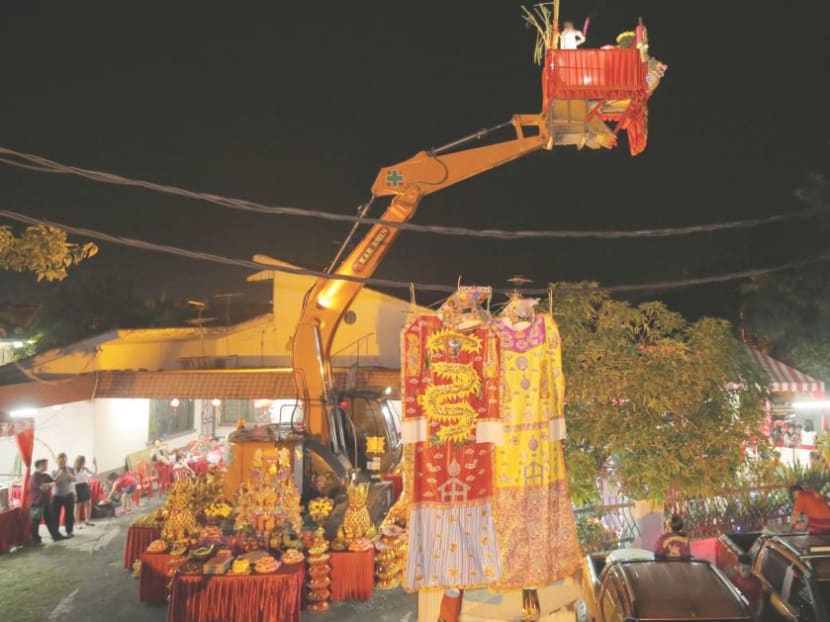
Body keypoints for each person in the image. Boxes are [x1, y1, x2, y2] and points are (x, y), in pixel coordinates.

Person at [30, 458, 65, 543]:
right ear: (39, 466)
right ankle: (36, 539)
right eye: (44, 464)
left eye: (46, 464)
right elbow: (42, 487)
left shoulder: (46, 475)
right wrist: (50, 484)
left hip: (47, 501)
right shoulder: (34, 476)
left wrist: (62, 472)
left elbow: (55, 482)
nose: (46, 466)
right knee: (36, 522)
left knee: (50, 519)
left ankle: (56, 536)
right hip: (37, 502)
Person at [729, 553, 763, 617]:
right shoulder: (734, 577)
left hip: (749, 614)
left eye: (748, 570)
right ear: (738, 567)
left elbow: (760, 602)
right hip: (735, 611)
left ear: (751, 568)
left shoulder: (757, 582)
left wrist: (757, 617)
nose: (746, 573)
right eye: (743, 570)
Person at [51, 452, 76, 538]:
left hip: (69, 495)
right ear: (57, 461)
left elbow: (74, 479)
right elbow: (54, 482)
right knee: (55, 515)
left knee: (69, 514)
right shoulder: (53, 471)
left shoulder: (71, 469)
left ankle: (69, 531)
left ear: (66, 461)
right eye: (61, 461)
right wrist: (61, 473)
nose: (63, 463)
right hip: (57, 496)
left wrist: (67, 472)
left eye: (64, 461)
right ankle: (55, 532)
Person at [73, 455, 97, 528]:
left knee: (88, 504)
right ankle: (77, 523)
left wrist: (95, 464)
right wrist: (74, 494)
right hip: (77, 487)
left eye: (84, 461)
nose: (84, 463)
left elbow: (94, 474)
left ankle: (87, 520)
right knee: (77, 506)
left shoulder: (85, 469)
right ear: (78, 462)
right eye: (82, 461)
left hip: (85, 486)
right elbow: (72, 482)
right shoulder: (74, 470)